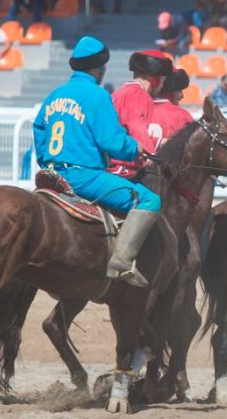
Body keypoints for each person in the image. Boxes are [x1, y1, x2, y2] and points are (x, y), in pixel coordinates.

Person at [32, 36, 160, 288]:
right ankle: (121, 261)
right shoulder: (98, 96)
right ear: (99, 68)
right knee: (150, 199)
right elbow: (111, 141)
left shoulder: (54, 95)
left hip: (50, 175)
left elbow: (39, 133)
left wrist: (50, 163)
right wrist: (135, 148)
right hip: (84, 177)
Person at [108, 49, 172, 182]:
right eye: (163, 80)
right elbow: (136, 128)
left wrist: (158, 142)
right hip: (122, 169)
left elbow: (125, 132)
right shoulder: (139, 95)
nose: (162, 86)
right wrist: (151, 154)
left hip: (110, 162)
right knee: (154, 200)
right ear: (155, 79)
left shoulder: (118, 93)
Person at [149, 68, 193, 149]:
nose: (182, 96)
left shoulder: (138, 110)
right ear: (170, 89)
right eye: (179, 90)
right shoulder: (182, 116)